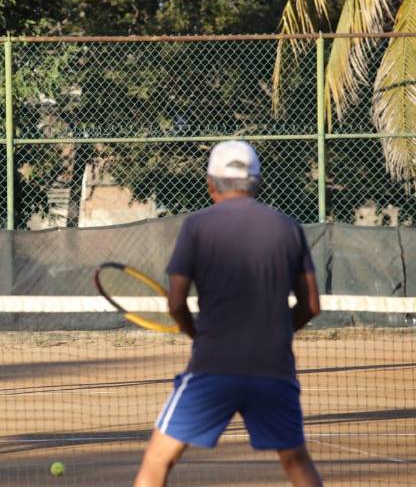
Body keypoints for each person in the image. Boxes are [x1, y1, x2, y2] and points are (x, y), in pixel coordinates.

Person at [134, 140, 323, 487]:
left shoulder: (196, 227)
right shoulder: (288, 228)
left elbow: (176, 303)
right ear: (257, 183)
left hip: (213, 367)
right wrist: (275, 333)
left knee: (158, 461)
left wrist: (196, 333)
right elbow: (311, 305)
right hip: (273, 368)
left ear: (210, 183)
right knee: (296, 460)